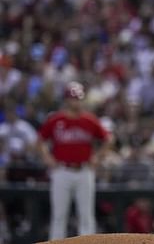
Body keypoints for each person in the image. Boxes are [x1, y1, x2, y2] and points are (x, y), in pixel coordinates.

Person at [37, 81, 113, 240]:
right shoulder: (56, 119)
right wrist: (47, 158)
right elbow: (40, 141)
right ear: (66, 100)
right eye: (73, 98)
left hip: (84, 171)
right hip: (62, 171)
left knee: (86, 215)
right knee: (59, 215)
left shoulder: (89, 120)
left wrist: (98, 157)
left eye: (79, 98)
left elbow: (108, 139)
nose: (76, 102)